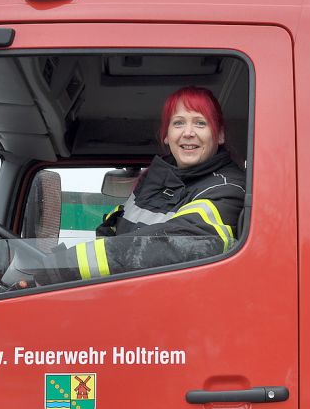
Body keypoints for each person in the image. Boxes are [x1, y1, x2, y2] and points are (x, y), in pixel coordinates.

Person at [35, 86, 246, 285]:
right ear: (166, 135)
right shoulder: (153, 180)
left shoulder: (228, 188)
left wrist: (62, 268)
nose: (188, 132)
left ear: (219, 135)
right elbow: (115, 232)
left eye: (200, 123)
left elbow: (171, 245)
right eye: (178, 123)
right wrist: (61, 263)